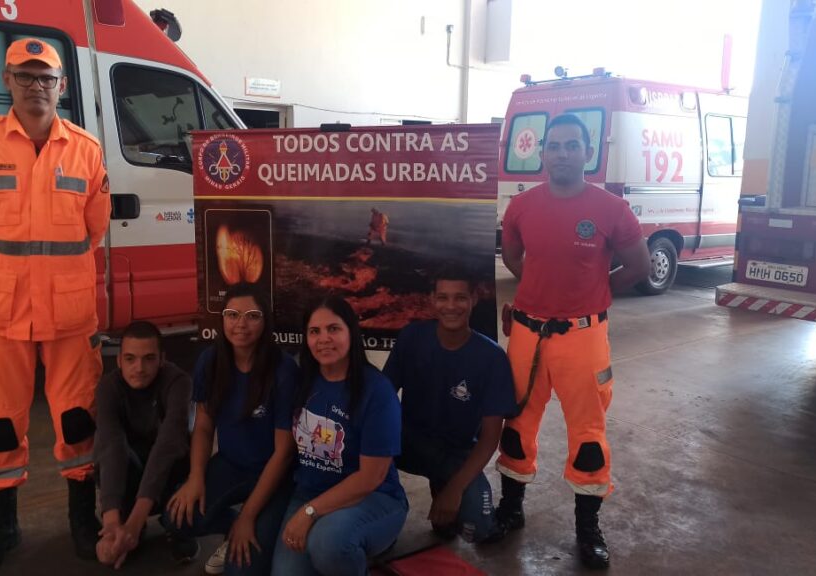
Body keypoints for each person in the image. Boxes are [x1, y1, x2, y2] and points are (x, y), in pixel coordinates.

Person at [0, 38, 110, 575]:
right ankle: (2, 526)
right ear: (6, 79)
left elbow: (94, 226)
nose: (36, 86)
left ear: (62, 86)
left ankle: (82, 521)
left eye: (46, 78)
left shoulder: (86, 149)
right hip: (2, 315)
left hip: (69, 315)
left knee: (78, 419)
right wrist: (10, 276)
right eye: (25, 76)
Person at [495, 113, 650, 569]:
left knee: (587, 436)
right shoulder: (521, 206)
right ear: (542, 153)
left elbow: (638, 267)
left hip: (584, 337)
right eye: (554, 146)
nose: (561, 153)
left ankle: (588, 529)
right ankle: (510, 510)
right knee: (517, 425)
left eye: (571, 145)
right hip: (526, 331)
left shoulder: (611, 209)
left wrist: (594, 297)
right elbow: (513, 257)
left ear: (588, 152)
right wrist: (540, 295)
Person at [167, 284, 298, 576]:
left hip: (275, 475)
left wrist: (248, 516)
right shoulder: (211, 360)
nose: (241, 324)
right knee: (177, 517)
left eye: (252, 315)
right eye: (232, 314)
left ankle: (264, 529)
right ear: (222, 319)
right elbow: (203, 426)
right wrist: (196, 478)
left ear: (266, 321)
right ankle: (236, 527)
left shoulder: (283, 369)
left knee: (242, 570)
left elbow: (284, 452)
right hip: (231, 465)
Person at [272, 296, 408, 576]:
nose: (324, 339)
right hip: (309, 493)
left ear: (351, 333)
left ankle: (365, 543)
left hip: (373, 499)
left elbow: (370, 478)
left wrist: (309, 513)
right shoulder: (301, 381)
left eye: (333, 329)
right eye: (314, 331)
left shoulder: (377, 392)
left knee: (329, 544)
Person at [383, 268, 516, 544]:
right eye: (443, 297)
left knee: (476, 530)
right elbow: (381, 399)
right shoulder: (411, 338)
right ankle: (374, 521)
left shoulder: (491, 357)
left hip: (456, 452)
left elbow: (491, 437)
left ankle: (450, 490)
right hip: (408, 442)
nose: (451, 306)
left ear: (474, 299)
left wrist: (454, 489)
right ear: (432, 299)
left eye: (460, 298)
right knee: (358, 442)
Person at [93, 321, 195, 568]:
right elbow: (111, 446)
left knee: (176, 455)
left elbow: (167, 446)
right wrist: (112, 525)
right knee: (111, 453)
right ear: (118, 361)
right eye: (130, 359)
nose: (139, 368)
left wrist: (135, 524)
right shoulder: (108, 387)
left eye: (149, 359)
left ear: (162, 359)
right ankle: (124, 523)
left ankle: (176, 528)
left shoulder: (178, 382)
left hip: (171, 469)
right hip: (132, 467)